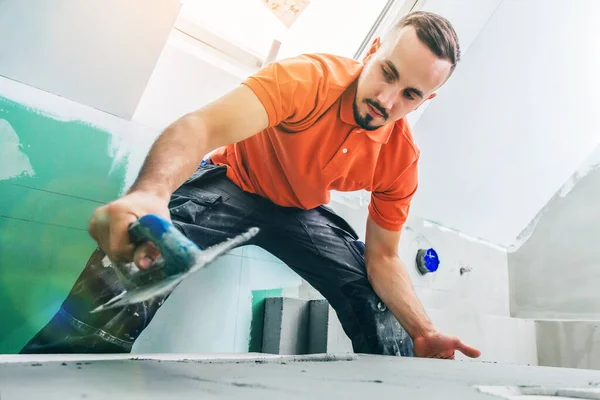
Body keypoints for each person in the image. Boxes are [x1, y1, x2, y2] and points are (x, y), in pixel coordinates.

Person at [22, 11, 481, 359]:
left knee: (381, 306)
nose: (387, 100)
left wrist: (423, 330)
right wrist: (151, 193)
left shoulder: (401, 159)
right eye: (388, 73)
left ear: (427, 100)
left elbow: (382, 257)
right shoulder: (308, 79)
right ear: (375, 48)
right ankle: (59, 373)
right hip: (234, 182)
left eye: (410, 96)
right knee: (142, 257)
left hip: (301, 212)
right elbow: (201, 127)